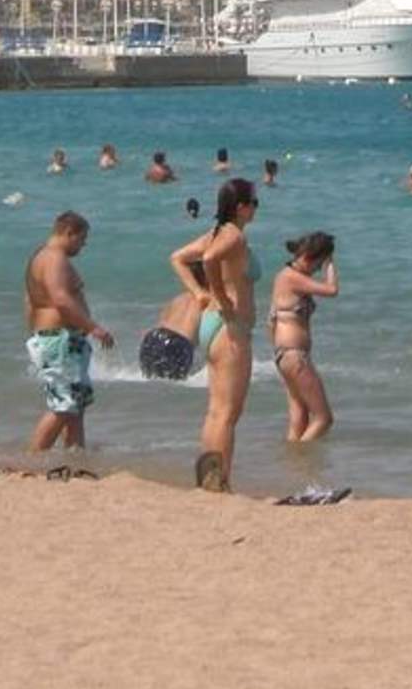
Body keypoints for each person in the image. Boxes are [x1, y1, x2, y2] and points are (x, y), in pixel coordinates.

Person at [169, 179, 260, 492]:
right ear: (241, 207)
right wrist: (218, 295)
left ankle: (209, 480)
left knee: (216, 411)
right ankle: (220, 481)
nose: (256, 209)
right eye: (254, 203)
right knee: (228, 414)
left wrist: (199, 293)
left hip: (213, 325)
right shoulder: (233, 235)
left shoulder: (215, 233)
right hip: (229, 328)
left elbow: (178, 258)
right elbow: (207, 261)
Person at [24, 211, 113, 451]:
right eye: (82, 239)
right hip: (60, 341)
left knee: (75, 407)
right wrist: (93, 328)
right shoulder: (54, 258)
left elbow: (29, 301)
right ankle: (31, 461)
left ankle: (75, 459)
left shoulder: (41, 257)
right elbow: (61, 299)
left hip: (58, 339)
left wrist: (36, 336)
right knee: (63, 407)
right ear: (69, 233)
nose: (83, 246)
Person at [270, 231, 340, 441]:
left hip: (286, 355)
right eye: (319, 264)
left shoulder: (285, 276)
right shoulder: (291, 278)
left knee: (299, 416)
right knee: (323, 418)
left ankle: (293, 459)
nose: (318, 270)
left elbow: (270, 321)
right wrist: (330, 264)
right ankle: (302, 453)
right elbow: (332, 289)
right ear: (311, 257)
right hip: (294, 355)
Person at [140, 266, 207, 381]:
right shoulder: (209, 301)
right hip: (178, 344)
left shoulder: (178, 299)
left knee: (150, 382)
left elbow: (161, 321)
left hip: (153, 338)